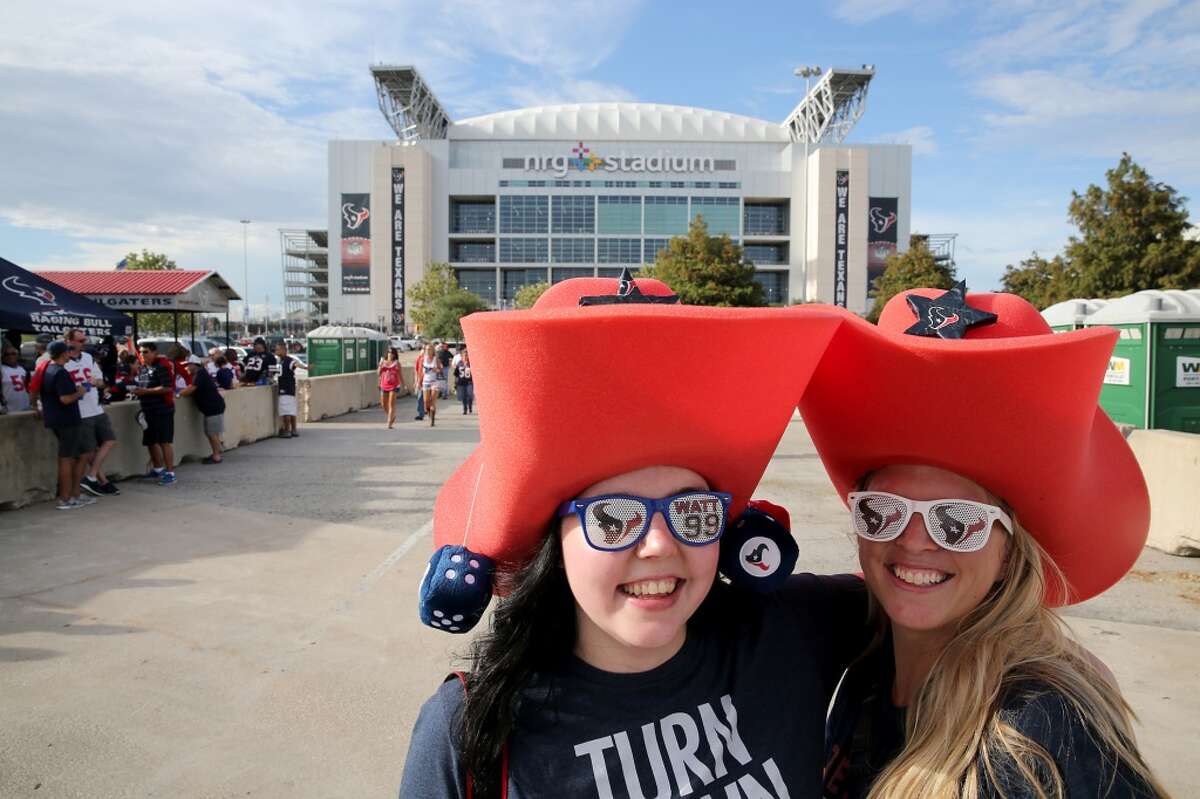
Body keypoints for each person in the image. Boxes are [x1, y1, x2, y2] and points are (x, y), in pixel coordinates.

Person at [400, 275, 862, 799]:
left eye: (691, 513)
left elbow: (929, 592)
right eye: (614, 519)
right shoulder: (468, 732)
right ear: (553, 541)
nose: (661, 546)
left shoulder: (792, 630)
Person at [800, 284, 1169, 799]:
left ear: (1009, 553)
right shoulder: (869, 666)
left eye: (957, 520)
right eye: (882, 511)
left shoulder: (1041, 731)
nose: (913, 539)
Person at [61, 330, 120, 497]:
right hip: (79, 410)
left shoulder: (88, 357)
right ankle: (102, 481)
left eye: (84, 340)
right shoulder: (62, 360)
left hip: (95, 406)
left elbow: (102, 382)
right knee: (88, 450)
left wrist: (96, 382)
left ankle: (92, 476)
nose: (83, 343)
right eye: (80, 340)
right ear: (69, 341)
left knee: (109, 440)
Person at [38, 341, 96, 510]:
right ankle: (65, 498)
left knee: (82, 454)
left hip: (58, 419)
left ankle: (75, 493)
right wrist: (81, 391)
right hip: (67, 421)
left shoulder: (48, 369)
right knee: (67, 458)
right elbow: (65, 399)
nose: (70, 353)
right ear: (63, 354)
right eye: (68, 350)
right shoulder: (60, 372)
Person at [132, 341, 177, 486]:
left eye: (146, 352)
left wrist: (146, 392)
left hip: (162, 409)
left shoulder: (161, 367)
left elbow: (167, 388)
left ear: (154, 353)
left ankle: (170, 473)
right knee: (150, 441)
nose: (143, 355)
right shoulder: (143, 368)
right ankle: (158, 469)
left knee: (164, 441)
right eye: (141, 352)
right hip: (147, 409)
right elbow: (142, 385)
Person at [180, 354, 226, 464]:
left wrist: (178, 394)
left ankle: (217, 456)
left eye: (189, 365)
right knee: (212, 432)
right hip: (212, 407)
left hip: (213, 407)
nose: (187, 368)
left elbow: (191, 389)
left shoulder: (200, 374)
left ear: (195, 365)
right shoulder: (200, 374)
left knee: (212, 433)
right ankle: (218, 450)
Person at [274, 341, 304, 438]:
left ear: (284, 350)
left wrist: (305, 367)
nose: (276, 351)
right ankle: (294, 430)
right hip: (289, 388)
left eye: (278, 350)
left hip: (285, 388)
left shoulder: (288, 360)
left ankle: (287, 430)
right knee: (291, 410)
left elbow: (295, 364)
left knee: (286, 411)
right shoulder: (280, 361)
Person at [1, 344, 31, 414]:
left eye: (13, 354)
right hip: (8, 411)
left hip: (25, 408)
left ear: (18, 355)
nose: (10, 356)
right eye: (6, 354)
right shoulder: (1, 369)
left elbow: (28, 388)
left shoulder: (23, 369)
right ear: (2, 356)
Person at [378, 347, 402, 429]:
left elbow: (400, 375)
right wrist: (381, 366)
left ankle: (389, 423)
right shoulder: (383, 362)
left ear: (395, 355)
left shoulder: (397, 363)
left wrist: (404, 385)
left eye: (392, 353)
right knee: (383, 404)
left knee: (391, 404)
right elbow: (378, 373)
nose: (390, 354)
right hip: (384, 385)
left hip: (394, 385)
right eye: (389, 352)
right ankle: (391, 415)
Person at [420, 343, 441, 427]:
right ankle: (429, 413)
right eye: (427, 349)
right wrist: (418, 382)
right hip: (425, 382)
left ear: (433, 351)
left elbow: (440, 370)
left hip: (435, 381)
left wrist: (436, 370)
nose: (428, 351)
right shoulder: (423, 359)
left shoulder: (436, 359)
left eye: (430, 349)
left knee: (433, 401)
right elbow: (420, 372)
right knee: (426, 402)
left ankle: (432, 420)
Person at [454, 349, 474, 414]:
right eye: (464, 355)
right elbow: (456, 373)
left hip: (469, 382)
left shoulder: (471, 363)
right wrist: (456, 382)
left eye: (467, 355)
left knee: (470, 394)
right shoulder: (459, 363)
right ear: (462, 356)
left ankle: (470, 406)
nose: (465, 357)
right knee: (464, 396)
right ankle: (465, 409)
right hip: (461, 382)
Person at [414, 349, 426, 421]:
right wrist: (416, 381)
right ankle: (421, 413)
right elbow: (416, 370)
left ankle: (428, 411)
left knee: (427, 399)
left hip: (429, 381)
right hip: (421, 381)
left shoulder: (431, 360)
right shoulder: (419, 359)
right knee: (420, 397)